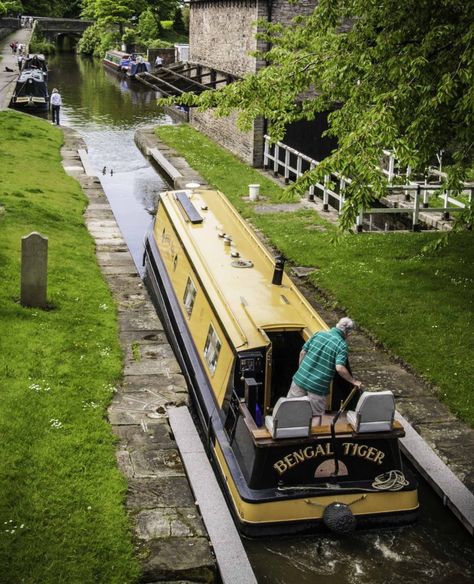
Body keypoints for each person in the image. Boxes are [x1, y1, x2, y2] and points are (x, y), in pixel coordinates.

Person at [288, 317, 362, 416]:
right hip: (317, 387)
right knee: (316, 418)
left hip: (299, 380)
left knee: (290, 412)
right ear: (348, 334)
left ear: (337, 325)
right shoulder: (341, 346)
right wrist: (353, 381)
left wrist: (302, 370)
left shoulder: (319, 334)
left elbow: (302, 353)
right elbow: (339, 368)